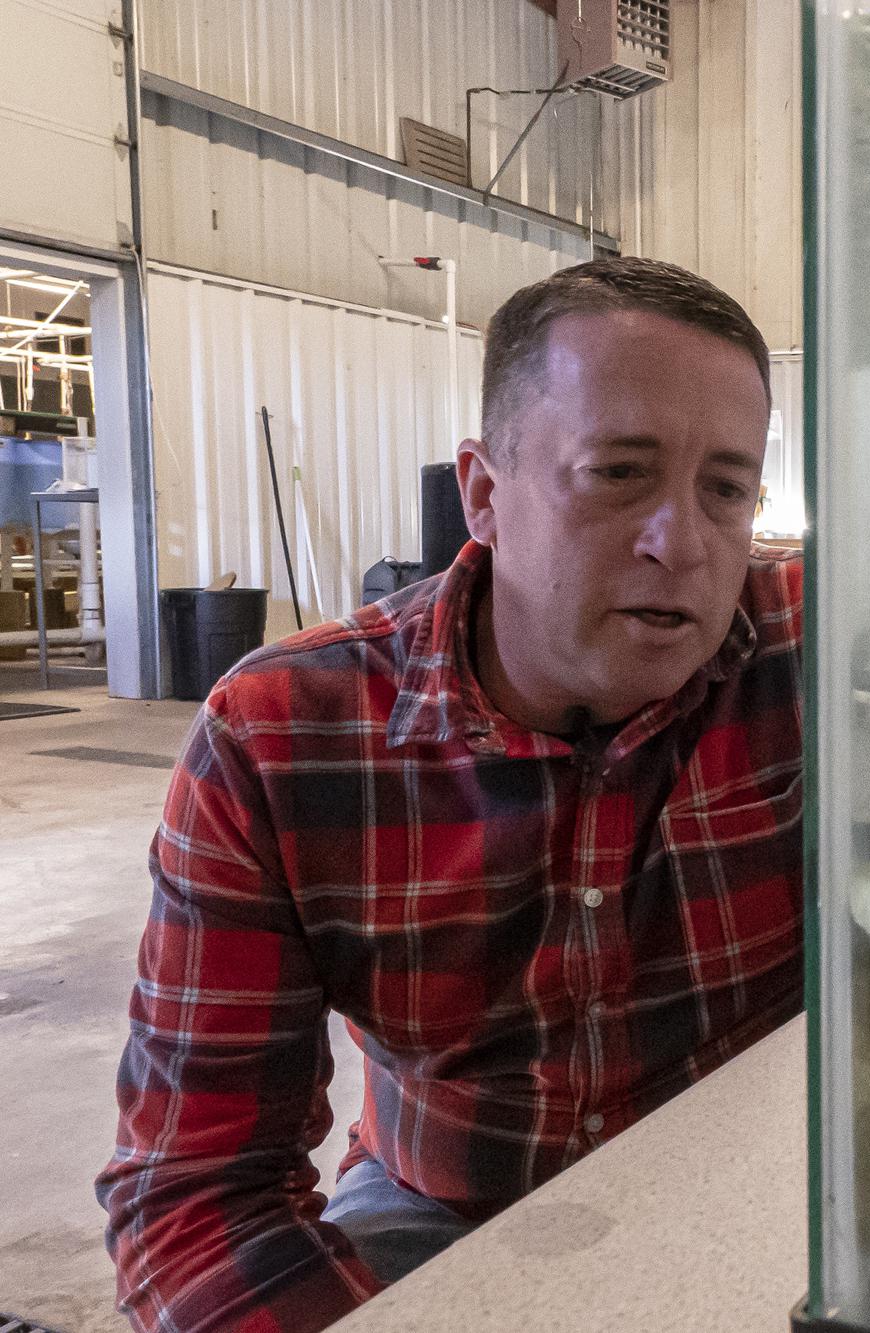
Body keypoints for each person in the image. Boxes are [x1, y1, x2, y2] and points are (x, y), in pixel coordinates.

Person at [97, 258, 804, 1333]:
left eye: (726, 487)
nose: (682, 542)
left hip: (759, 1180)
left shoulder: (815, 646)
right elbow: (195, 1191)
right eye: (619, 472)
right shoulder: (284, 739)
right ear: (481, 493)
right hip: (450, 1198)